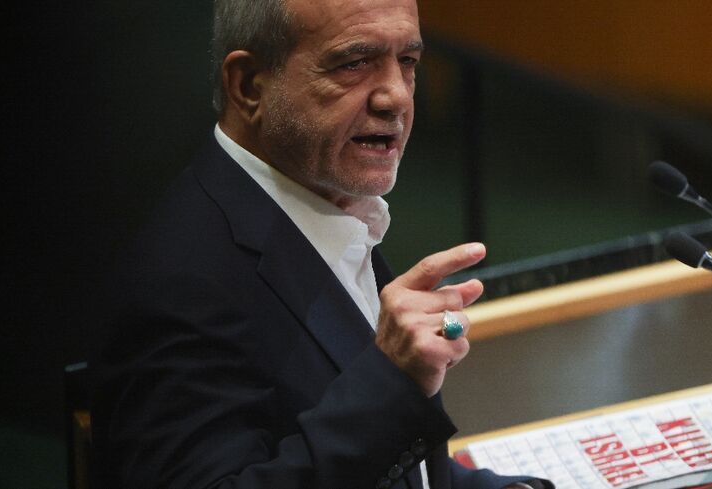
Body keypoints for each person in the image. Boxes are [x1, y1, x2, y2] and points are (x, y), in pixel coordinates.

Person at [92, 1, 552, 488]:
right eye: (354, 63)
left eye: (409, 62)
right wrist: (393, 381)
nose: (396, 96)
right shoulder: (182, 281)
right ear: (249, 86)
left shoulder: (325, 203)